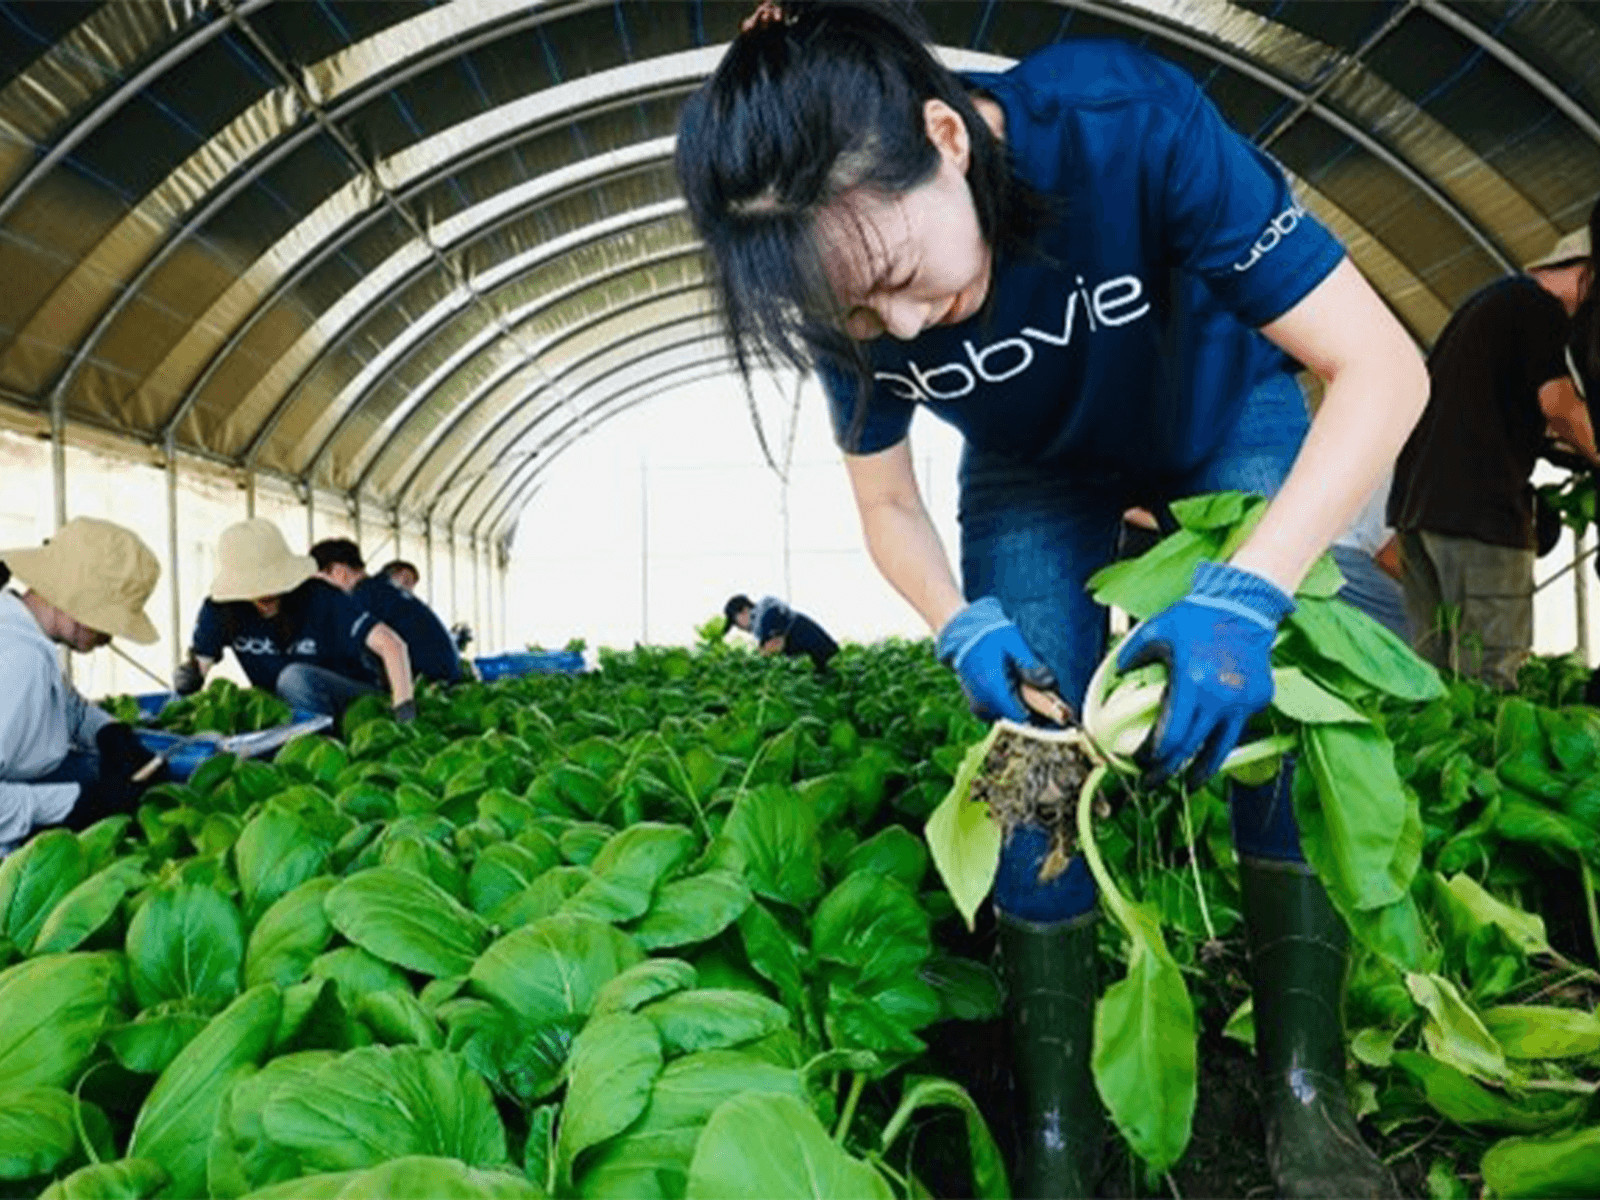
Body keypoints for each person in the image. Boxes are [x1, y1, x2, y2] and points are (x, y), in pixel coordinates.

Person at [676, 5, 1428, 1196]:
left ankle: (1304, 1090)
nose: (906, 328)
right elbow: (888, 508)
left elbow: (1381, 366)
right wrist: (957, 621)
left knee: (1287, 719)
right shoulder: (836, 287)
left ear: (946, 135)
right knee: (1035, 765)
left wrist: (1245, 594)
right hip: (1034, 468)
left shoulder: (1122, 127)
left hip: (1224, 407)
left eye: (900, 280)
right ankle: (1063, 1127)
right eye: (862, 319)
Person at [1389, 220, 1599, 689]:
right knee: (1492, 676)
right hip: (1479, 517)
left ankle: (1437, 764)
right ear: (1587, 271)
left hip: (1422, 512)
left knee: (1434, 681)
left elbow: (1512, 415)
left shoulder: (1491, 305)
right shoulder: (1538, 310)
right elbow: (1562, 408)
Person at [0, 518, 166, 849]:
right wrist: (77, 803)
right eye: (108, 620)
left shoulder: (24, 630)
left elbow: (65, 705)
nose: (110, 636)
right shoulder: (17, 658)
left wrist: (109, 733)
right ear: (77, 602)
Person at [172, 519, 417, 721]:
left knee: (294, 678)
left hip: (354, 700)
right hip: (289, 704)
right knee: (261, 694)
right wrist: (189, 677)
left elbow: (392, 645)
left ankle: (321, 739)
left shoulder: (320, 597)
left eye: (271, 583)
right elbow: (200, 664)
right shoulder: (222, 609)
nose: (265, 593)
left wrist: (404, 707)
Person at [311, 540, 460, 685]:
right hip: (444, 679)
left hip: (424, 685)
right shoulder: (382, 590)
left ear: (339, 572)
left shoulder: (360, 598)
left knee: (303, 677)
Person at [723, 592, 839, 670]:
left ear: (744, 611)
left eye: (736, 622)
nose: (739, 627)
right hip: (817, 660)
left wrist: (748, 664)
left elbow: (775, 644)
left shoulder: (769, 614)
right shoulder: (765, 617)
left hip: (826, 660)